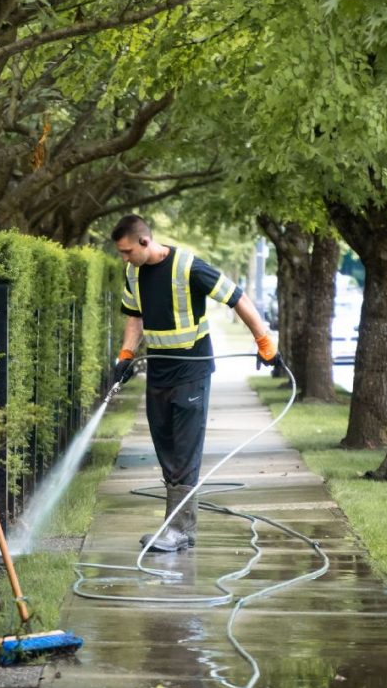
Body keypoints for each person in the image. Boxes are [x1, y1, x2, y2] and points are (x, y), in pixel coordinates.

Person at [111, 214, 278, 551]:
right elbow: (135, 316)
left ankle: (182, 530)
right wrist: (127, 354)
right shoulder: (133, 273)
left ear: (145, 241)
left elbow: (237, 297)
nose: (124, 258)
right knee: (166, 449)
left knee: (185, 452)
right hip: (158, 370)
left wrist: (264, 341)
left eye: (128, 251)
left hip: (192, 370)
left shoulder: (188, 267)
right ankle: (174, 528)